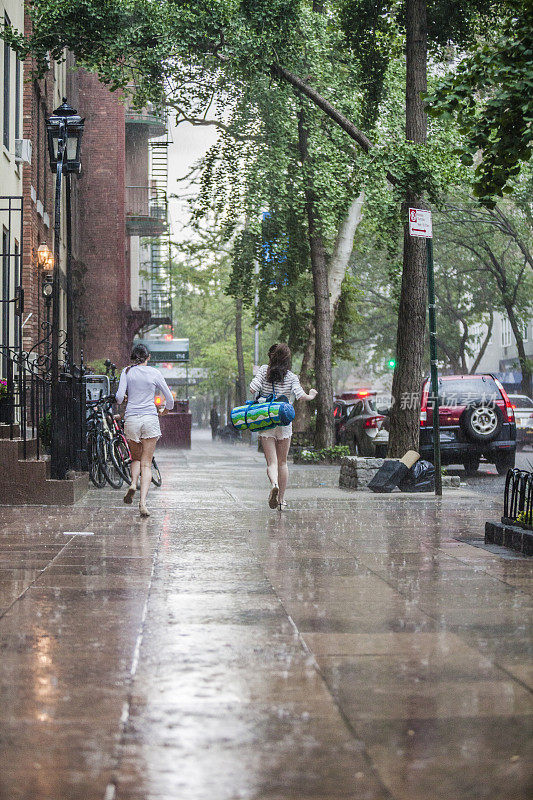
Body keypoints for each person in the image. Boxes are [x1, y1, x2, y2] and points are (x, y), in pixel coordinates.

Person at [250, 343, 317, 510]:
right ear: (288, 360)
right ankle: (281, 500)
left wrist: (261, 387)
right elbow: (301, 396)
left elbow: (252, 388)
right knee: (283, 463)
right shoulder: (292, 377)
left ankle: (274, 484)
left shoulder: (264, 370)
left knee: (271, 463)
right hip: (284, 423)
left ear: (272, 357)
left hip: (266, 420)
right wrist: (312, 395)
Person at [115, 343, 174, 517]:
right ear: (148, 357)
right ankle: (142, 503)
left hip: (132, 419)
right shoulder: (155, 373)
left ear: (133, 357)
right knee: (146, 463)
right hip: (150, 419)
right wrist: (165, 410)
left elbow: (118, 398)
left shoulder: (126, 372)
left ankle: (133, 482)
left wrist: (126, 397)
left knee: (135, 458)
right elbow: (169, 398)